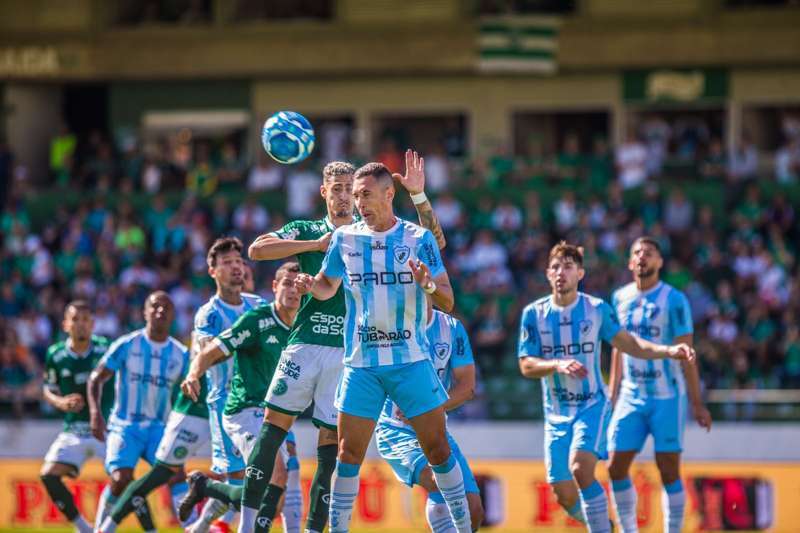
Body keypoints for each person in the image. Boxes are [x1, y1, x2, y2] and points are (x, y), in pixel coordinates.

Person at [241, 151, 446, 533]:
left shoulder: (368, 233)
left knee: (333, 448)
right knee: (272, 428)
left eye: (349, 192)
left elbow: (434, 243)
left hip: (350, 353)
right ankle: (247, 525)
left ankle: (316, 529)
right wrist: (315, 246)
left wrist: (419, 197)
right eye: (335, 190)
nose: (342, 198)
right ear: (322, 192)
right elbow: (257, 249)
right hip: (304, 342)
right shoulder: (306, 229)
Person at [294, 161, 471, 533]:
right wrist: (309, 284)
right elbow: (328, 286)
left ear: (389, 194)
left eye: (366, 194)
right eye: (356, 196)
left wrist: (426, 285)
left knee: (439, 450)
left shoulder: (418, 240)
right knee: (347, 453)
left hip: (410, 361)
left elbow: (449, 301)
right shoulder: (345, 239)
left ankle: (462, 524)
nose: (358, 202)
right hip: (362, 365)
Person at [517, 242, 695, 533]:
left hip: (591, 405)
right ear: (548, 274)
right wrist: (556, 365)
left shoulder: (596, 309)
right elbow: (526, 365)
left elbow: (631, 344)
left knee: (581, 468)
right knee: (563, 493)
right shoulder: (533, 314)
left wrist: (668, 350)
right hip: (556, 413)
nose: (561, 272)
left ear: (581, 273)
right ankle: (605, 525)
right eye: (556, 267)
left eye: (568, 267)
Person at [178, 262, 303, 532]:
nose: (293, 291)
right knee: (275, 474)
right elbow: (212, 351)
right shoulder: (258, 320)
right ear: (274, 287)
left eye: (298, 286)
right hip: (245, 411)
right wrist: (193, 374)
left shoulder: (302, 328)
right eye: (287, 284)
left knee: (276, 492)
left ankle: (206, 488)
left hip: (275, 414)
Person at [607, 237, 712, 533]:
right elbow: (618, 347)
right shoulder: (619, 298)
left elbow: (687, 353)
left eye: (649, 253)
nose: (643, 257)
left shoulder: (674, 300)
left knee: (667, 469)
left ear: (660, 262)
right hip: (631, 395)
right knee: (615, 465)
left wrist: (697, 402)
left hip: (668, 396)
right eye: (637, 253)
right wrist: (612, 393)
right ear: (629, 262)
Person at [375, 302, 484, 532]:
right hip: (395, 429)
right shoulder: (387, 324)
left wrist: (427, 407)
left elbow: (467, 386)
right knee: (440, 483)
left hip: (435, 428)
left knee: (473, 509)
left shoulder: (451, 327)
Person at [87, 292, 189, 531]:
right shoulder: (127, 345)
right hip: (125, 426)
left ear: (173, 315)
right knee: (121, 479)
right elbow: (95, 379)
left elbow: (194, 392)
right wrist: (95, 413)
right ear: (144, 312)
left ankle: (193, 527)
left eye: (166, 307)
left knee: (176, 475)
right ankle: (101, 529)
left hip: (160, 429)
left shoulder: (181, 354)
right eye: (154, 306)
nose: (160, 311)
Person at [40, 301, 115, 533]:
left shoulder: (106, 348)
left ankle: (108, 528)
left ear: (93, 324)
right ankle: (82, 527)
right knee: (48, 475)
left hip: (108, 429)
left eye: (85, 320)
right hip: (74, 430)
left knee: (123, 478)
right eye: (75, 319)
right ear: (65, 324)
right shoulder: (56, 354)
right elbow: (48, 388)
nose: (80, 324)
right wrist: (61, 402)